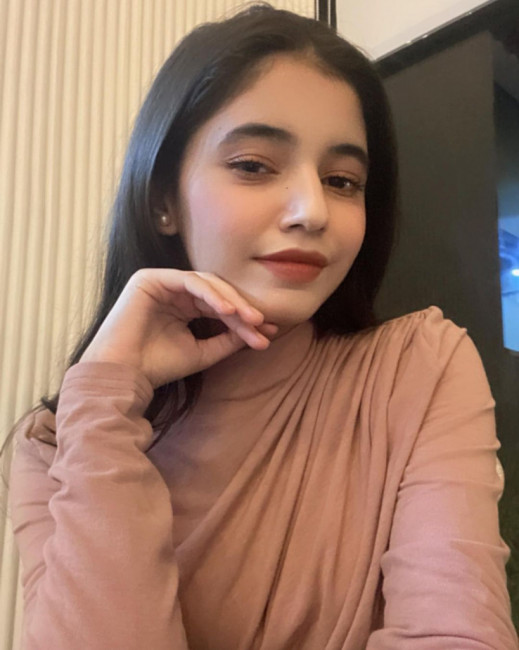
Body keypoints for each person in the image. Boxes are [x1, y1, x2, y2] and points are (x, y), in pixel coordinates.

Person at [4, 3, 517, 649]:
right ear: (162, 201)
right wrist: (102, 400)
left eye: (342, 180)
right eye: (253, 165)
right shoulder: (54, 443)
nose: (312, 210)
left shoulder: (419, 368)